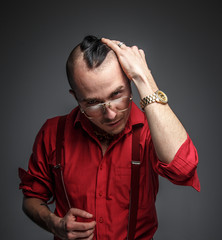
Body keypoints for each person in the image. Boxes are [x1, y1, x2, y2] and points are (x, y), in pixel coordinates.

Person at [19, 35, 200, 240]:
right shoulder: (52, 133)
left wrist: (144, 77)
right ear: (76, 98)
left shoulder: (151, 130)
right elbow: (32, 197)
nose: (111, 114)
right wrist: (54, 224)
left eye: (117, 95)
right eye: (93, 103)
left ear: (129, 83)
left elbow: (183, 170)